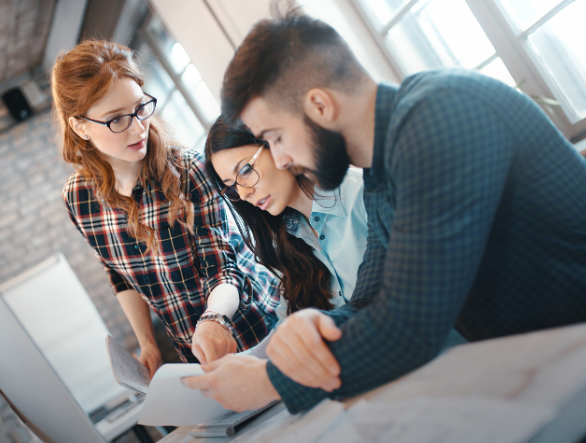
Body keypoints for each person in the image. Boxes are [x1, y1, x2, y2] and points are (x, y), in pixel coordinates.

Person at [181, 10, 586, 413]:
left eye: (277, 137)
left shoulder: (438, 115)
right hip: (546, 372)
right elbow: (371, 298)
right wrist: (312, 329)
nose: (282, 159)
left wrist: (271, 381)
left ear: (320, 105)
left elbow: (411, 323)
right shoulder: (382, 174)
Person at [52, 40, 279, 376]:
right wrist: (148, 343)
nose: (138, 127)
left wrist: (215, 318)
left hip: (256, 327)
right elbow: (119, 275)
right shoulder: (79, 198)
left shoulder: (188, 169)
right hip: (194, 352)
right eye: (116, 120)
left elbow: (222, 267)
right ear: (80, 126)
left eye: (141, 107)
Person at [204, 116, 368, 323]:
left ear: (275, 144)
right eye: (232, 186)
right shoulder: (282, 242)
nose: (244, 194)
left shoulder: (362, 195)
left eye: (245, 170)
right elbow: (288, 326)